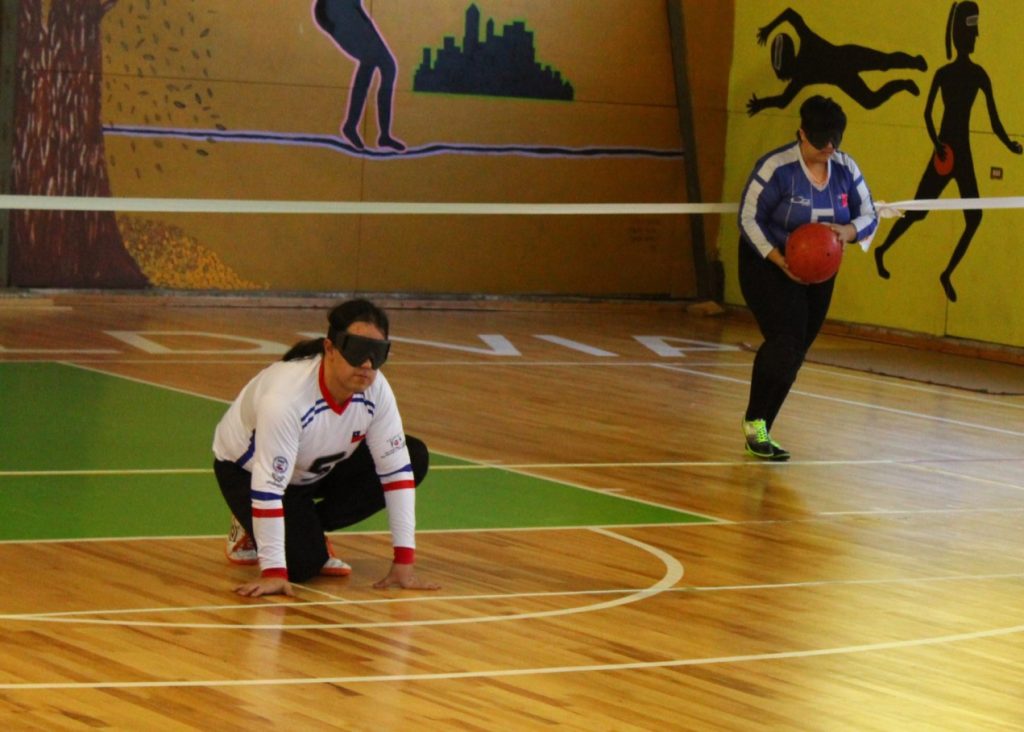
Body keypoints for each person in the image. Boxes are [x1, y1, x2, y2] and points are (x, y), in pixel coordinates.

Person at [213, 298, 439, 597]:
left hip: (316, 467)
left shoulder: (376, 389)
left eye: (378, 354)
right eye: (357, 350)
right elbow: (268, 487)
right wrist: (273, 572)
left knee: (413, 456)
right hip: (248, 471)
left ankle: (302, 528)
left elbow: (396, 472)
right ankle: (253, 527)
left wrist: (404, 562)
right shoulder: (286, 398)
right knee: (302, 565)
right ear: (330, 349)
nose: (368, 364)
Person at [737, 95, 878, 460]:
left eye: (835, 140)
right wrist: (778, 258)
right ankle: (754, 423)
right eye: (820, 141)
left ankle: (762, 428)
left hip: (820, 271)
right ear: (802, 133)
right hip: (769, 263)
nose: (828, 147)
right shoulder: (776, 168)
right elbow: (748, 219)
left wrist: (848, 232)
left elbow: (870, 215)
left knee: (796, 353)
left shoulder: (845, 168)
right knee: (785, 341)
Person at [873, 1, 1022, 302]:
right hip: (945, 151)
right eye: (972, 30)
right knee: (917, 211)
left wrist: (1010, 145)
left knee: (975, 217)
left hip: (961, 152)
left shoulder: (980, 75)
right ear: (961, 35)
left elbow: (994, 121)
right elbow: (928, 114)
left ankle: (946, 273)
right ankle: (882, 250)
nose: (976, 36)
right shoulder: (944, 74)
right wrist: (936, 145)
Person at [747, 7, 926, 116]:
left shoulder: (806, 50)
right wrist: (768, 29)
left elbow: (782, 101)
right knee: (870, 100)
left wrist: (761, 104)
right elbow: (783, 101)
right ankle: (903, 84)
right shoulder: (800, 74)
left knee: (885, 62)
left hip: (849, 56)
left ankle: (914, 62)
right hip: (845, 77)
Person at [312, 0, 406, 152]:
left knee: (371, 63)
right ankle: (380, 134)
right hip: (341, 12)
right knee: (386, 66)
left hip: (348, 12)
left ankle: (362, 128)